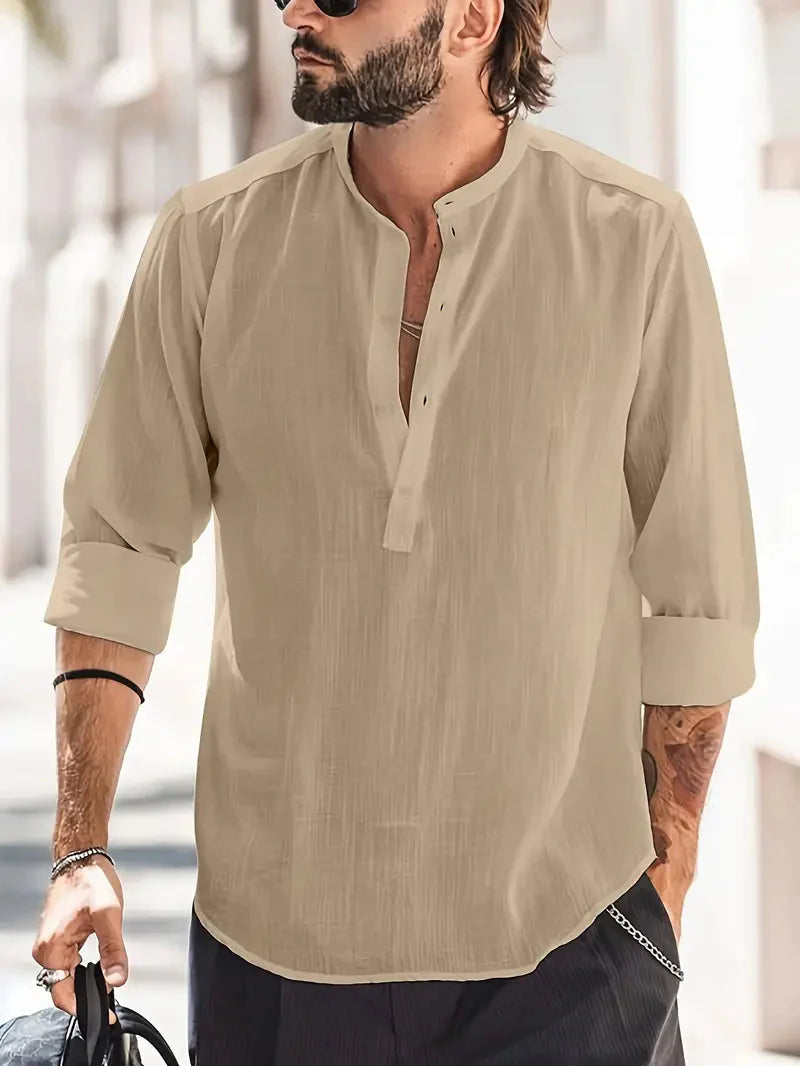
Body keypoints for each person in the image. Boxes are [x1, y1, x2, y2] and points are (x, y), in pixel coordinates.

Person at [31, 0, 760, 1063]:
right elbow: (116, 551)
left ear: (472, 19)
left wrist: (660, 892)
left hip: (569, 949)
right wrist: (79, 848)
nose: (297, 7)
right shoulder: (210, 242)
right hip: (273, 956)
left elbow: (698, 598)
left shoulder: (633, 240)